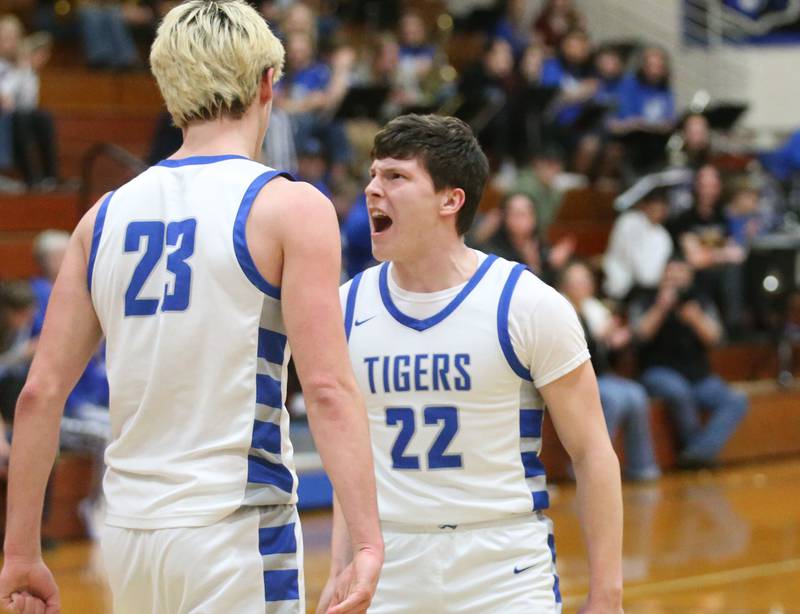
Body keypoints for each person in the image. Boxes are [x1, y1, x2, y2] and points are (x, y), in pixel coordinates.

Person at [0, 3, 383, 614]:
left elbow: (39, 395)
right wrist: (365, 539)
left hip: (128, 531)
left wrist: (20, 550)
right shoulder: (289, 207)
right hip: (233, 527)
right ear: (265, 84)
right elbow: (329, 389)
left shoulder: (101, 218)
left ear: (170, 91)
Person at [320, 114, 623, 613]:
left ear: (450, 199)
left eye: (396, 177)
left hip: (502, 565)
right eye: (373, 175)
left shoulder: (526, 304)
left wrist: (607, 595)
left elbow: (592, 453)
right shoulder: (347, 307)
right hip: (389, 564)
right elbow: (347, 458)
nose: (374, 189)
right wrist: (339, 565)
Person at [629, 260, 748, 468]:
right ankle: (696, 453)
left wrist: (696, 319)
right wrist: (661, 308)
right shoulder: (647, 299)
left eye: (681, 277)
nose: (676, 282)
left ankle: (698, 452)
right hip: (658, 372)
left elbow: (716, 339)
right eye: (671, 277)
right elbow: (639, 336)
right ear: (662, 277)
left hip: (698, 376)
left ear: (690, 279)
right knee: (678, 391)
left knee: (736, 399)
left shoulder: (699, 302)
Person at [559, 261, 660, 481]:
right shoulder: (561, 310)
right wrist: (600, 338)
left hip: (600, 376)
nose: (582, 286)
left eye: (586, 281)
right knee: (614, 399)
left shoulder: (593, 309)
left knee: (636, 393)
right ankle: (588, 464)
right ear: (565, 285)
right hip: (572, 381)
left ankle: (643, 467)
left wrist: (614, 343)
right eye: (576, 282)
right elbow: (572, 356)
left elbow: (605, 357)